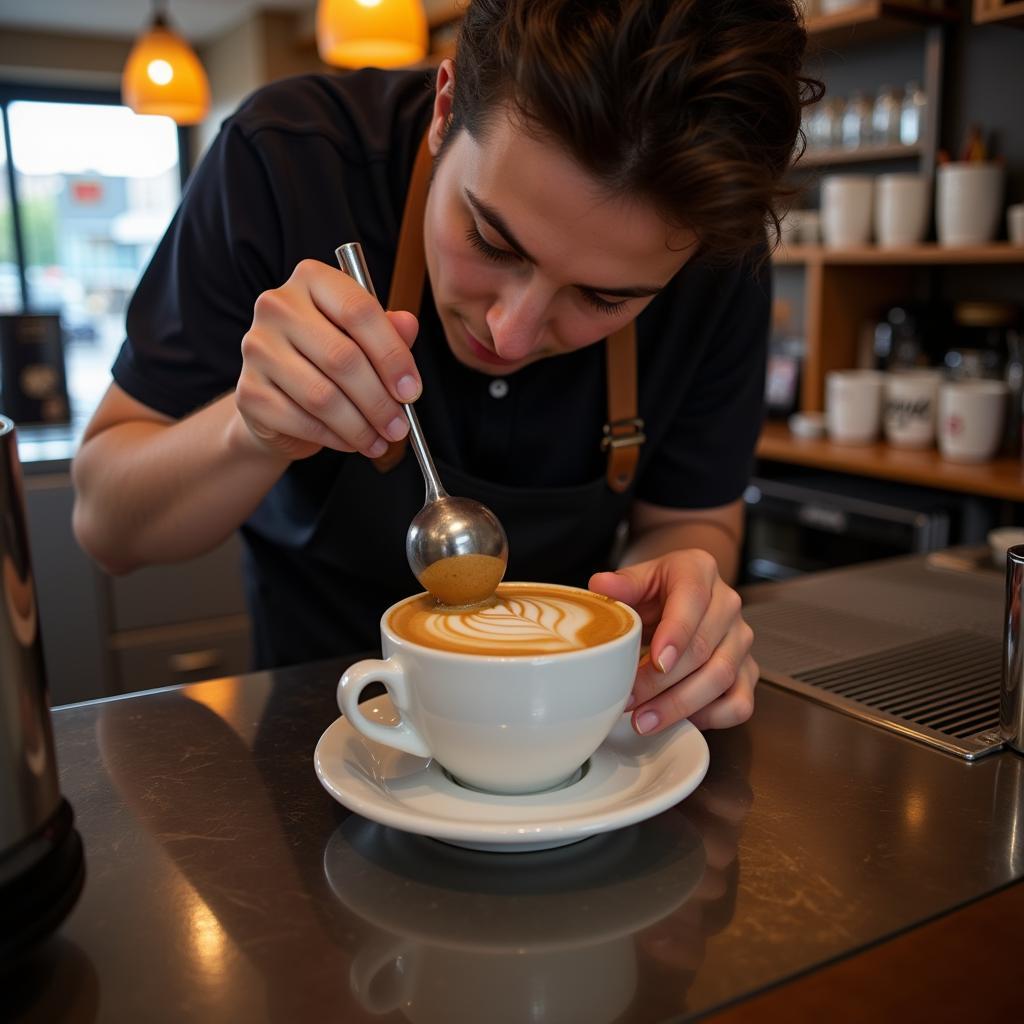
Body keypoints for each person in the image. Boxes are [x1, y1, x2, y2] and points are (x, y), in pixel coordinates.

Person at [71, 0, 820, 737]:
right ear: (446, 104)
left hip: (570, 741)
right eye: (494, 242)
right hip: (305, 741)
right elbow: (106, 525)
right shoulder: (285, 160)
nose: (513, 332)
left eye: (603, 297)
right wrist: (250, 430)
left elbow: (691, 520)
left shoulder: (721, 258)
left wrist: (683, 603)